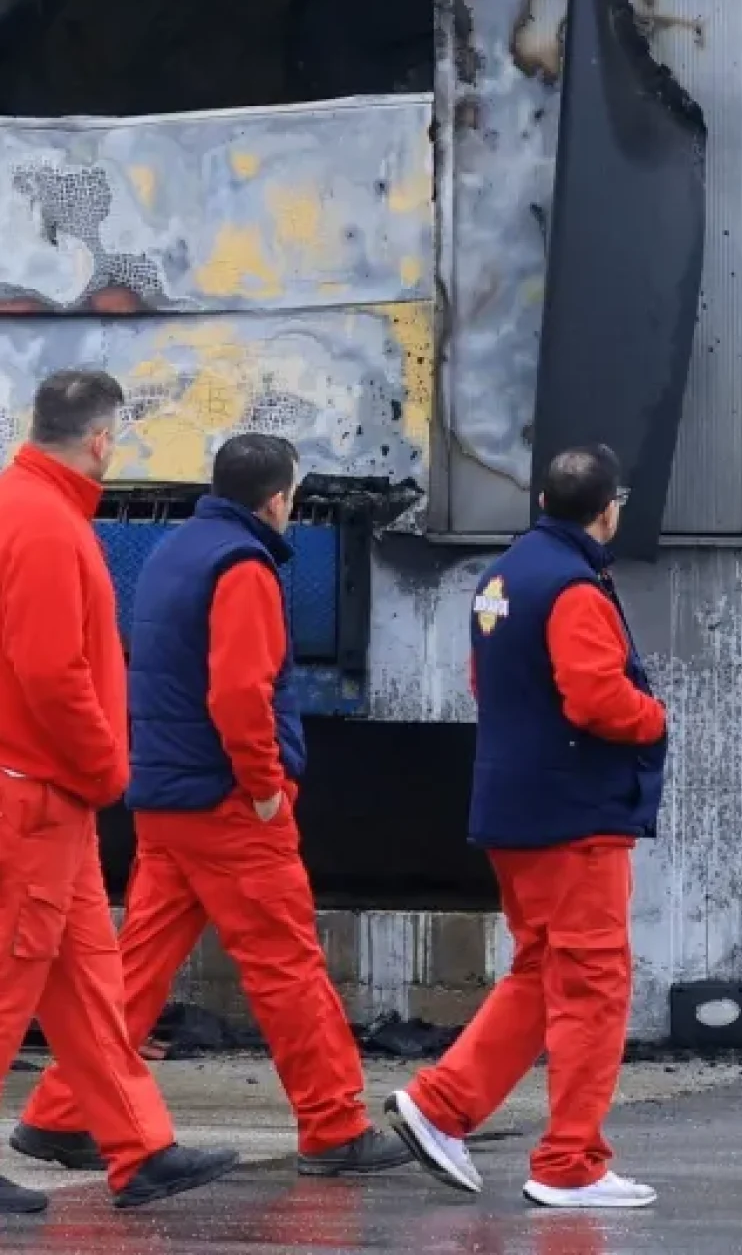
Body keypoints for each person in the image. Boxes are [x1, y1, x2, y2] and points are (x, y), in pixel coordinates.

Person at [10, 433, 410, 1181]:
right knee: (287, 965)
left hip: (166, 797)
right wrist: (265, 787)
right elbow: (239, 693)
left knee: (135, 967)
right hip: (229, 805)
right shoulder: (244, 567)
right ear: (278, 500)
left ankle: (63, 1113)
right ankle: (334, 1125)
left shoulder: (173, 553)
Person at [386, 444, 667, 1211]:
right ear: (609, 512)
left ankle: (441, 1106)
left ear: (543, 502)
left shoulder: (501, 578)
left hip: (513, 810)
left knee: (543, 972)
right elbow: (596, 699)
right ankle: (571, 1163)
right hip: (574, 817)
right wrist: (654, 717)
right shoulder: (574, 587)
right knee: (594, 986)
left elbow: (487, 683)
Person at [0, 370, 237, 1215]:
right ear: (101, 440)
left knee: (88, 990)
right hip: (39, 796)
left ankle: (140, 1149)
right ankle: (139, 1149)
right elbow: (52, 672)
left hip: (41, 798)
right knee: (11, 983)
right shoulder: (47, 524)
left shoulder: (26, 509)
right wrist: (106, 769)